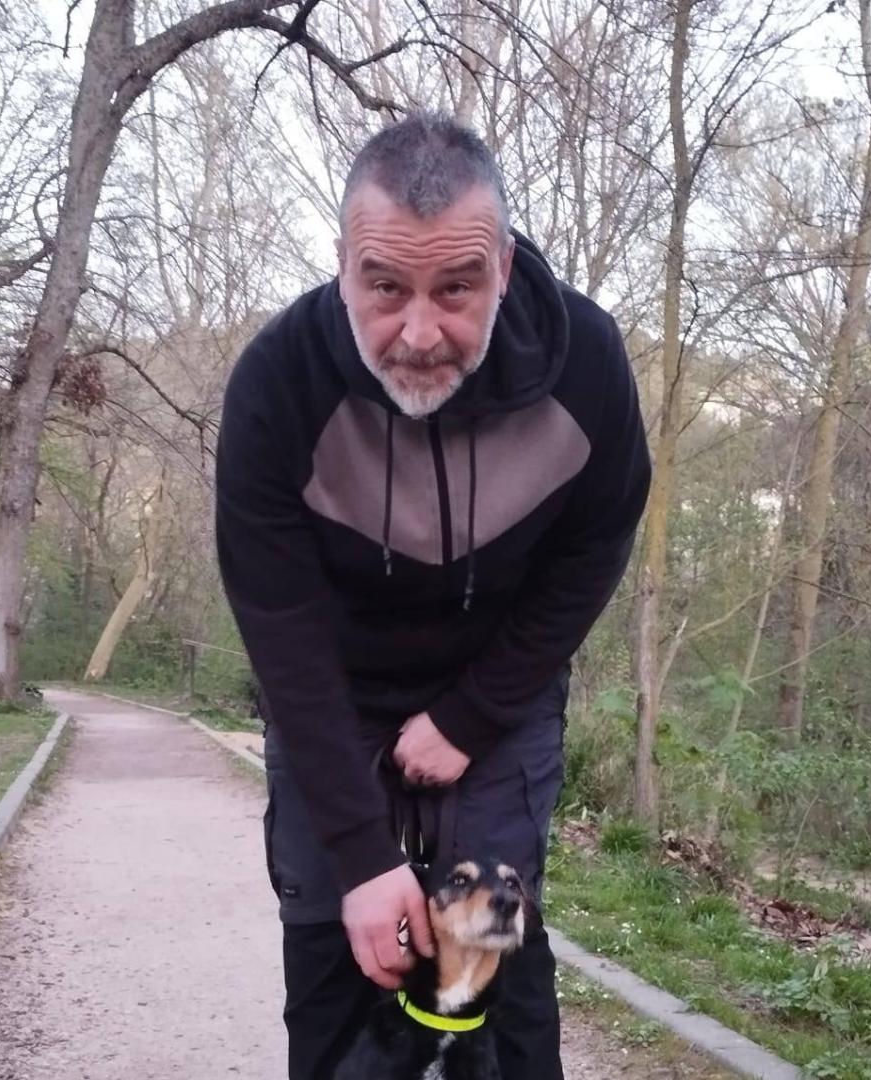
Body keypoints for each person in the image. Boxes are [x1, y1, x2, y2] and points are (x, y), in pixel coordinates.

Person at [214, 112, 652, 1080]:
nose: (418, 334)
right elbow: (280, 629)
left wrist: (472, 714)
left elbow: (592, 550)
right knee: (345, 945)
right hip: (332, 696)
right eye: (384, 287)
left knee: (488, 955)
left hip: (498, 694)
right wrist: (363, 859)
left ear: (503, 266)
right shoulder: (278, 384)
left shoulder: (585, 363)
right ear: (343, 267)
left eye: (456, 287)